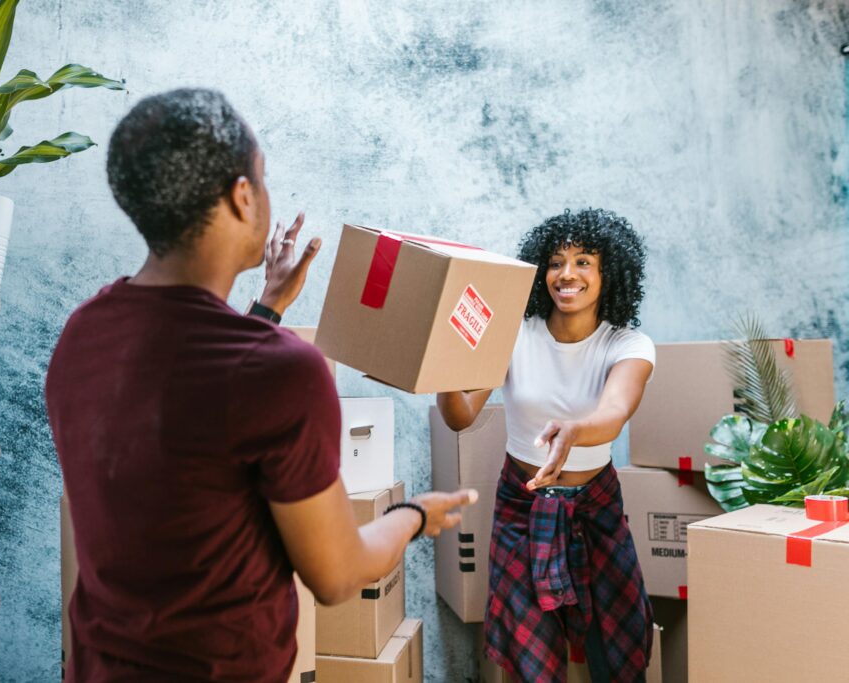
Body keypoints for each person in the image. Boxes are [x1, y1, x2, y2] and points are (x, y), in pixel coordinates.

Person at [45, 88, 477, 683]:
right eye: (264, 179)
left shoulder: (83, 333)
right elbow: (337, 574)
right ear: (242, 196)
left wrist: (268, 305)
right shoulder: (280, 372)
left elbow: (188, 411)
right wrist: (414, 515)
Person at [437, 208, 655, 683]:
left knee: (621, 643)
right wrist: (442, 364)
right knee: (526, 649)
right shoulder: (513, 334)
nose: (567, 274)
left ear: (608, 273)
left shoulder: (629, 345)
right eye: (556, 262)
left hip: (596, 507)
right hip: (522, 506)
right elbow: (460, 416)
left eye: (583, 262)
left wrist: (575, 430)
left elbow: (614, 413)